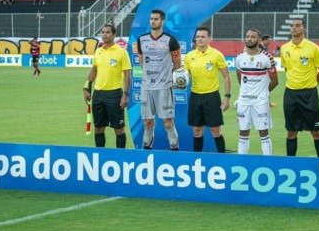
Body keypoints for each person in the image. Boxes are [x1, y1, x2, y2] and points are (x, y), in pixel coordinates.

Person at [280, 18, 319, 157]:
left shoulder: (313, 48)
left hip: (309, 94)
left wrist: (312, 84)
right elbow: (287, 69)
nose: (294, 28)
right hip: (290, 94)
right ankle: (291, 165)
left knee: (316, 131)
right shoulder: (284, 48)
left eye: (298, 25)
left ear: (304, 29)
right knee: (291, 132)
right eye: (292, 26)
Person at [137, 9, 181, 150]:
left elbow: (178, 64)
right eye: (151, 19)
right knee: (147, 122)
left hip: (164, 88)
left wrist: (165, 77)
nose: (153, 21)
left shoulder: (170, 40)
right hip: (146, 87)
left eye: (156, 19)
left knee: (167, 122)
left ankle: (174, 147)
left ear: (162, 21)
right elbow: (141, 61)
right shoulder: (141, 40)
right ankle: (146, 147)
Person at [83, 24, 131, 148]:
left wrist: (125, 95)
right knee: (98, 128)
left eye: (108, 32)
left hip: (115, 95)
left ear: (113, 34)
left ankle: (120, 157)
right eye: (103, 32)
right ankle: (100, 156)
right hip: (98, 94)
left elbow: (127, 74)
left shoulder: (122, 52)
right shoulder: (98, 51)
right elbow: (94, 70)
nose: (104, 34)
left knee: (119, 129)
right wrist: (86, 88)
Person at [184, 26, 231, 153]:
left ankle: (222, 159)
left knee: (216, 131)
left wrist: (227, 96)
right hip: (195, 96)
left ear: (209, 38)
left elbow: (226, 76)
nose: (199, 39)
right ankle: (197, 160)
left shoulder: (217, 55)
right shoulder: (189, 56)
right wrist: (181, 81)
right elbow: (186, 76)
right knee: (197, 131)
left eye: (203, 36)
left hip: (212, 97)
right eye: (197, 36)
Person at [235, 29, 278, 155]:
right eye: (247, 36)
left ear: (259, 40)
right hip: (244, 100)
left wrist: (264, 93)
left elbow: (275, 81)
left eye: (253, 37)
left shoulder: (267, 58)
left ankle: (268, 161)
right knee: (243, 132)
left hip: (260, 101)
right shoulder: (239, 58)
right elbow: (240, 78)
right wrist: (245, 91)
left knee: (263, 132)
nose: (249, 39)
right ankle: (241, 161)